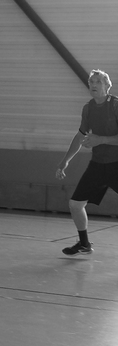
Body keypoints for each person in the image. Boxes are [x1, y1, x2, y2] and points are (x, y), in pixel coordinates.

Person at [56, 69, 118, 255]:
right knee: (75, 205)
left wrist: (101, 140)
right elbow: (80, 136)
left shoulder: (115, 106)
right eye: (91, 82)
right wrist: (65, 161)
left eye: (98, 81)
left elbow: (100, 139)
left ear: (107, 86)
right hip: (97, 165)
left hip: (116, 164)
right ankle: (84, 244)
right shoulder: (88, 108)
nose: (93, 84)